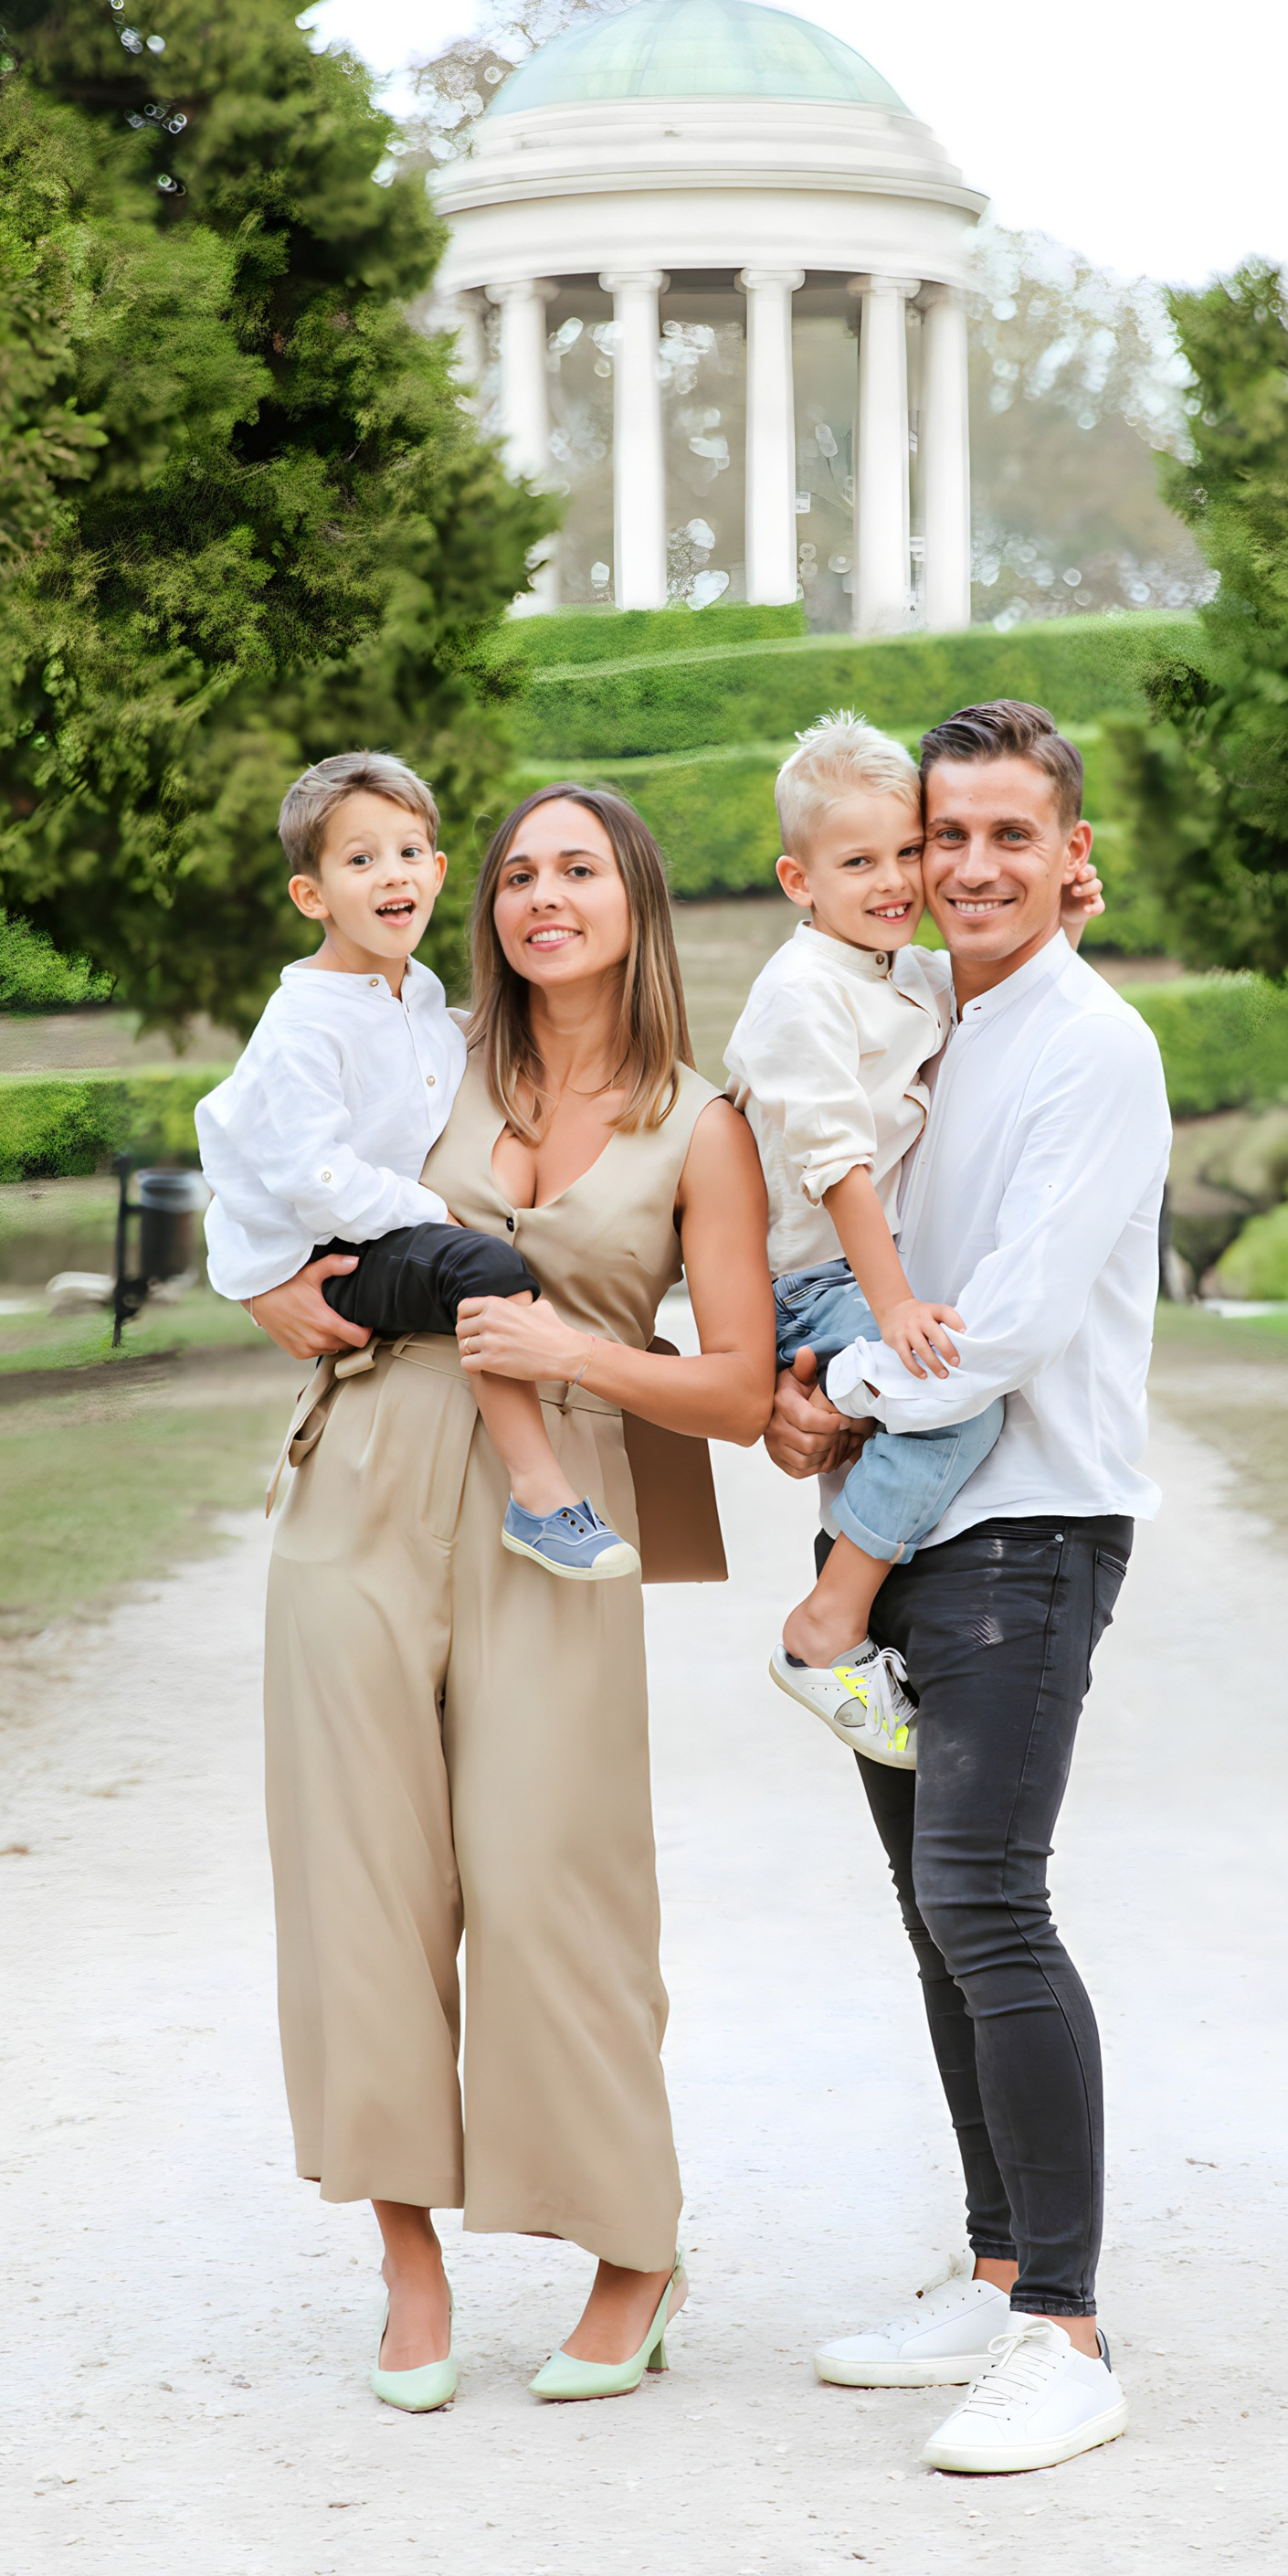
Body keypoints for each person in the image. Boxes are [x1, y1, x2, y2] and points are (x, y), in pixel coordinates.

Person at [241, 781, 775, 2413]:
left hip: (563, 1508)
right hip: (365, 1485)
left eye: (580, 870)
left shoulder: (705, 1118)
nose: (544, 896)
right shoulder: (421, 1053)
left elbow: (743, 1391)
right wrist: (263, 1286)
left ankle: (636, 2249)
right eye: (520, 872)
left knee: (557, 1881)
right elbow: (261, 1159)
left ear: (637, 899)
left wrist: (578, 1352)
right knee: (363, 1883)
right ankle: (410, 2269)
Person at [764, 699, 1171, 2479]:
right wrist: (820, 1389)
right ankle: (996, 2262)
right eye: (946, 837)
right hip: (914, 1520)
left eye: (1011, 834)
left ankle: (1063, 2330)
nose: (972, 865)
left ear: (1069, 856)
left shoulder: (1093, 1047)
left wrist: (824, 1396)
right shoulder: (932, 1020)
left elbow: (994, 1324)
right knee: (936, 1912)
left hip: (1030, 1526)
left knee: (987, 1901)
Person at [723, 713, 1101, 1767]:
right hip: (817, 1273)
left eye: (904, 851)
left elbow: (994, 1010)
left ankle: (846, 1606)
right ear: (798, 880)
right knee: (950, 1404)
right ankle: (824, 1626)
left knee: (932, 1392)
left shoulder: (895, 967)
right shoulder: (801, 993)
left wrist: (1062, 932)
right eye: (858, 862)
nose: (894, 881)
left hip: (865, 1262)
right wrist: (888, 1307)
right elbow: (834, 1165)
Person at [195, 750, 639, 1584]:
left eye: (407, 854)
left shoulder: (421, 995)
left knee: (472, 1262)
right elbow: (304, 1171)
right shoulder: (303, 1025)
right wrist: (428, 1211)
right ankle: (541, 1494)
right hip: (331, 1253)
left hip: (370, 1236)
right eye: (359, 860)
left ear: (436, 873)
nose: (389, 874)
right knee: (480, 1263)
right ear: (311, 895)